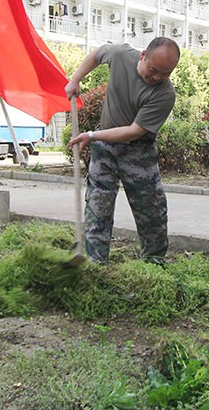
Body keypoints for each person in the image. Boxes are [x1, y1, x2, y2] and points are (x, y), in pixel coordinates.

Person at [65, 37, 180, 264]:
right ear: (142, 55)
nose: (156, 77)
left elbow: (133, 131)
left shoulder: (165, 94)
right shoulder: (120, 55)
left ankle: (153, 265)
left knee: (152, 213)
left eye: (165, 74)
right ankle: (95, 265)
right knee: (98, 209)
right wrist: (75, 79)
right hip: (105, 149)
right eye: (153, 70)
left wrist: (91, 136)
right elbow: (97, 53)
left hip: (139, 153)